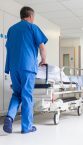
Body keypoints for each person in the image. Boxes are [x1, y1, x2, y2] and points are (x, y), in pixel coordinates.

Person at [3, 6, 48, 134]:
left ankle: (10, 117)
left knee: (17, 94)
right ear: (31, 16)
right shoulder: (33, 27)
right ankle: (26, 127)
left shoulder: (11, 30)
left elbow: (9, 48)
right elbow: (42, 47)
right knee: (27, 95)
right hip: (27, 67)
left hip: (13, 67)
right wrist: (43, 60)